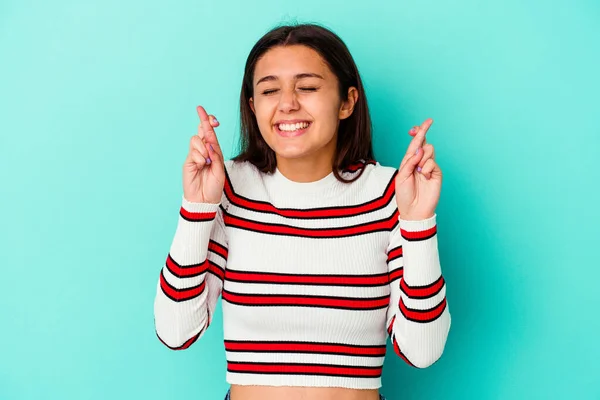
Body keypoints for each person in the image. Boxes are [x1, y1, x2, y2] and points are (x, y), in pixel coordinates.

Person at [154, 23, 451, 400]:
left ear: (347, 101)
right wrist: (197, 207)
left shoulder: (391, 193)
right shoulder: (227, 187)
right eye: (269, 90)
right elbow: (176, 332)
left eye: (307, 87)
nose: (287, 103)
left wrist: (418, 221)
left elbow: (422, 352)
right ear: (253, 106)